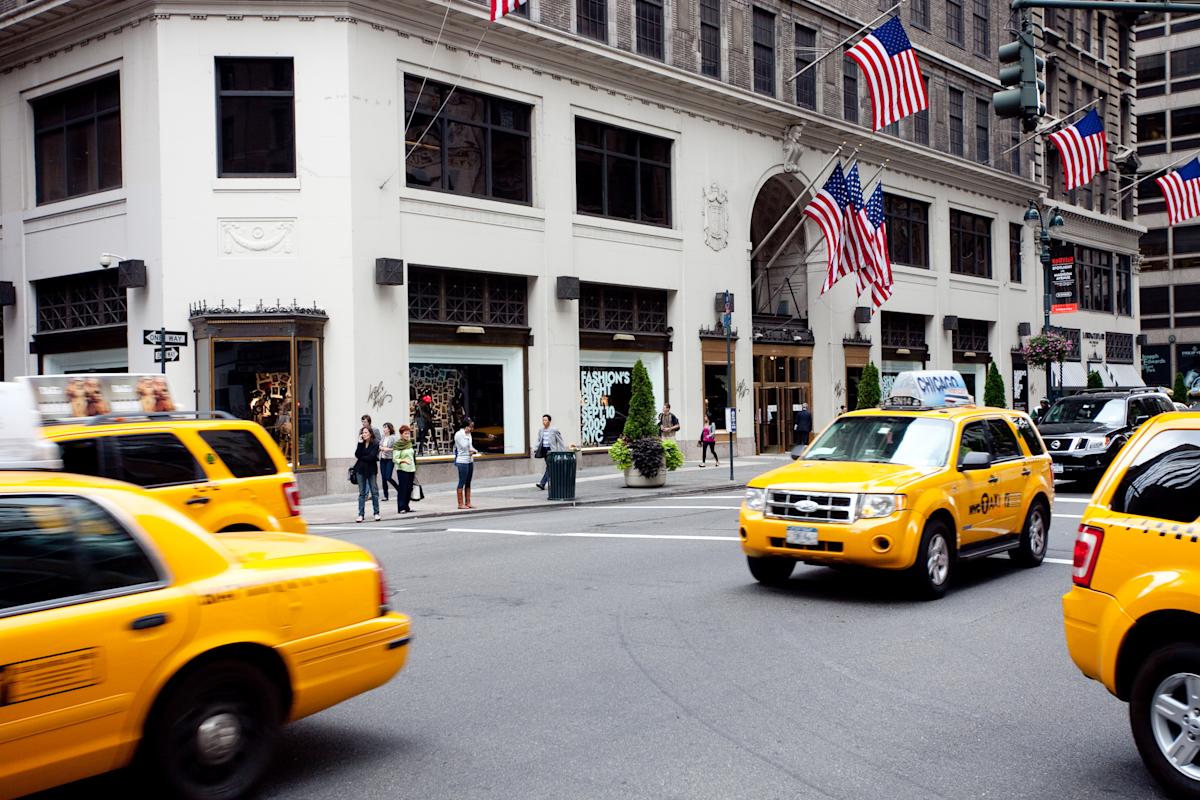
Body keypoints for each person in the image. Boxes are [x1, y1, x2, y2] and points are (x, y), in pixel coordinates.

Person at [533, 414, 568, 490]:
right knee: (550, 467)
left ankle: (542, 483)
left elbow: (560, 441)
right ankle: (552, 483)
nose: (544, 422)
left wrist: (563, 451)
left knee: (550, 467)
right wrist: (535, 448)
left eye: (545, 420)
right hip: (544, 450)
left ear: (549, 421)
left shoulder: (554, 430)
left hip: (551, 451)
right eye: (543, 420)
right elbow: (539, 440)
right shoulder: (541, 430)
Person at [354, 427, 381, 523]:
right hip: (360, 470)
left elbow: (371, 457)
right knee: (362, 493)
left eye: (365, 432)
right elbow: (357, 454)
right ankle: (361, 514)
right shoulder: (361, 443)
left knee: (374, 492)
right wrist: (359, 443)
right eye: (362, 433)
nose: (364, 434)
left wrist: (362, 457)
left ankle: (376, 513)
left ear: (370, 433)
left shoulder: (375, 443)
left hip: (371, 470)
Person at [454, 417, 479, 509]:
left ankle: (468, 502)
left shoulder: (469, 435)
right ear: (465, 426)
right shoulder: (459, 434)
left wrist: (475, 450)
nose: (471, 429)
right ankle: (460, 504)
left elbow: (471, 447)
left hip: (469, 460)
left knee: (468, 481)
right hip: (462, 460)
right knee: (462, 481)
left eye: (472, 427)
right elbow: (464, 447)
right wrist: (467, 436)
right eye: (470, 427)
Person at [392, 425, 417, 514]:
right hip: (402, 470)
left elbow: (412, 456)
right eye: (405, 433)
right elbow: (395, 459)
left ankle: (406, 506)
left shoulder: (409, 443)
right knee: (403, 488)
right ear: (401, 434)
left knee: (409, 489)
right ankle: (401, 507)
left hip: (411, 469)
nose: (407, 435)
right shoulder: (398, 445)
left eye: (408, 433)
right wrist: (403, 461)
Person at [379, 423, 398, 502]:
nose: (384, 429)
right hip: (383, 459)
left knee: (388, 476)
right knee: (383, 478)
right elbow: (379, 445)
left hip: (390, 459)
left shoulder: (393, 437)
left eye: (385, 428)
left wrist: (388, 449)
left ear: (389, 429)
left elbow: (396, 448)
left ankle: (399, 489)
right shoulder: (383, 437)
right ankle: (386, 496)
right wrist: (381, 448)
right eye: (383, 428)